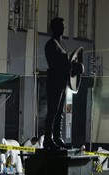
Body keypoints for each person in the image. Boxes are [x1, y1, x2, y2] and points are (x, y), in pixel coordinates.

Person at [43, 17, 71, 150]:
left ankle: (57, 137)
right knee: (52, 111)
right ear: (54, 28)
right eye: (61, 26)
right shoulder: (51, 44)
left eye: (64, 26)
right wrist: (67, 66)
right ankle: (48, 140)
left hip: (63, 81)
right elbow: (54, 64)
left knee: (60, 111)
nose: (64, 28)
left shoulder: (62, 43)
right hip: (54, 81)